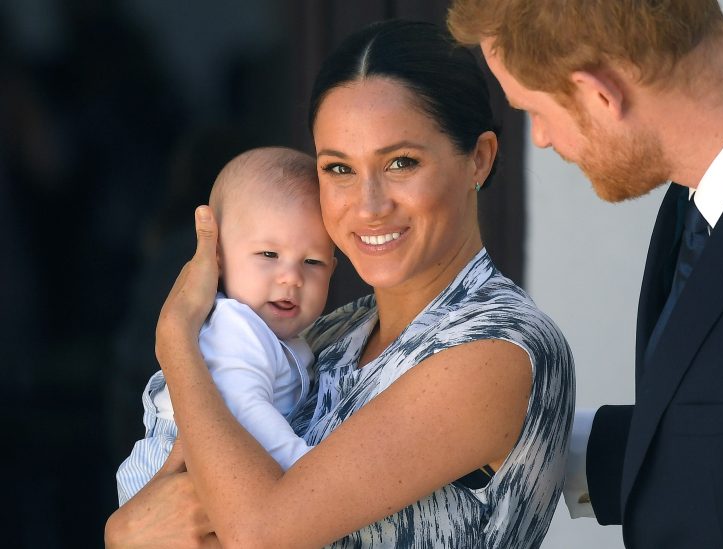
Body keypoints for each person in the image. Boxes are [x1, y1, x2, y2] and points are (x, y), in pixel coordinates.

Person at [105, 20, 575, 548]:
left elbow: (260, 532)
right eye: (339, 169)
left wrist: (176, 340)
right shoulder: (330, 333)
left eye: (401, 163)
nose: (369, 206)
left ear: (479, 160)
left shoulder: (497, 347)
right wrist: (123, 531)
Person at [448, 1, 723, 547]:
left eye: (534, 112)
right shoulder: (712, 184)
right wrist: (528, 442)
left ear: (600, 95)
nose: (539, 138)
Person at [115, 146, 336, 505]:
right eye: (269, 254)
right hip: (177, 474)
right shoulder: (236, 327)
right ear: (217, 257)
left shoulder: (285, 337)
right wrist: (304, 469)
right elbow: (246, 410)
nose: (292, 277)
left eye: (313, 262)